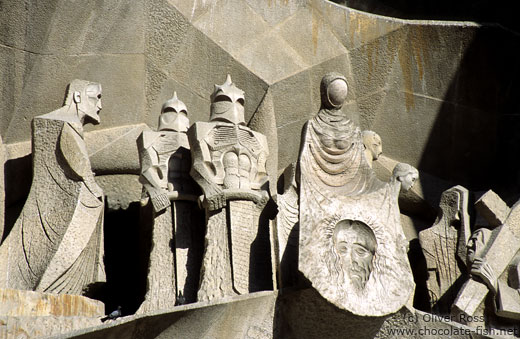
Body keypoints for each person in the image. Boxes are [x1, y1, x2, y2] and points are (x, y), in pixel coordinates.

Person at [0, 80, 105, 294]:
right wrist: (93, 187)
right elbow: (78, 166)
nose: (100, 105)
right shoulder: (61, 123)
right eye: (96, 97)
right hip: (59, 210)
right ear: (77, 97)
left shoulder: (65, 125)